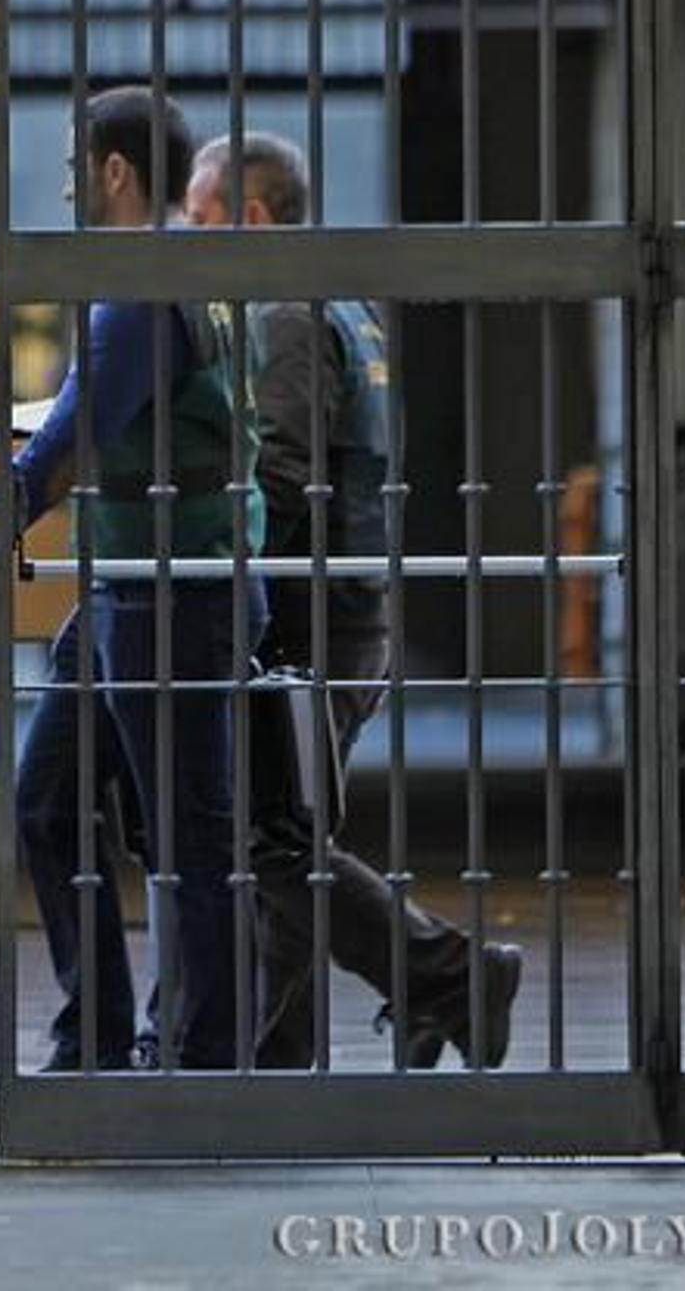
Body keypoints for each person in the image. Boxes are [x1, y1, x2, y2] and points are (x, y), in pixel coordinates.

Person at [0, 88, 266, 1071]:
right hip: (131, 583)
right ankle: (99, 1029)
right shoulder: (190, 273)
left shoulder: (143, 287)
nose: (64, 189)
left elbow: (62, 450)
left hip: (168, 592)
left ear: (114, 172)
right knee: (51, 802)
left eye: (71, 169)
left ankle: (204, 1054)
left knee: (190, 833)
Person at [183, 132, 522, 1069]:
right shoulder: (348, 308)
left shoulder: (284, 313)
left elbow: (285, 478)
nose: (185, 235)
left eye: (201, 218)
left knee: (270, 835)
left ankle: (449, 972)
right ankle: (278, 1052)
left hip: (308, 612)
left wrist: (218, 571)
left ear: (252, 217)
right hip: (352, 600)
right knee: (291, 829)